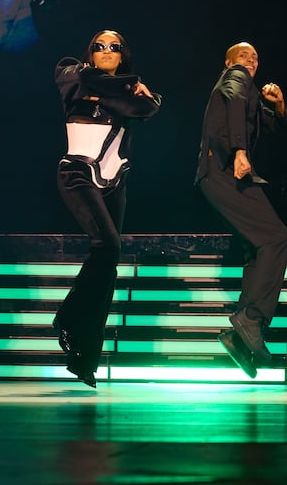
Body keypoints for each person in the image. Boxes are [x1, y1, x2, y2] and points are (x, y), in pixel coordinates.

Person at [52, 30, 161, 387]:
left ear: (123, 54)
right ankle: (67, 318)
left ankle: (85, 360)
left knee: (108, 265)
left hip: (116, 179)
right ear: (90, 51)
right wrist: (128, 89)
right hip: (77, 173)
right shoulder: (71, 70)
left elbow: (146, 108)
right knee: (107, 246)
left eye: (115, 47)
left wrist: (113, 95)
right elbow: (84, 82)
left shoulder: (123, 91)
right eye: (100, 46)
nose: (107, 51)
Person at [195, 41, 287, 378]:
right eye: (243, 56)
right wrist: (239, 151)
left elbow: (275, 129)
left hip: (226, 175)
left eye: (255, 57)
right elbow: (236, 105)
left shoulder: (249, 93)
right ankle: (250, 320)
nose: (250, 60)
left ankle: (239, 337)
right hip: (223, 172)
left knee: (258, 247)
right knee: (277, 239)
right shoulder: (235, 79)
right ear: (228, 62)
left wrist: (278, 106)